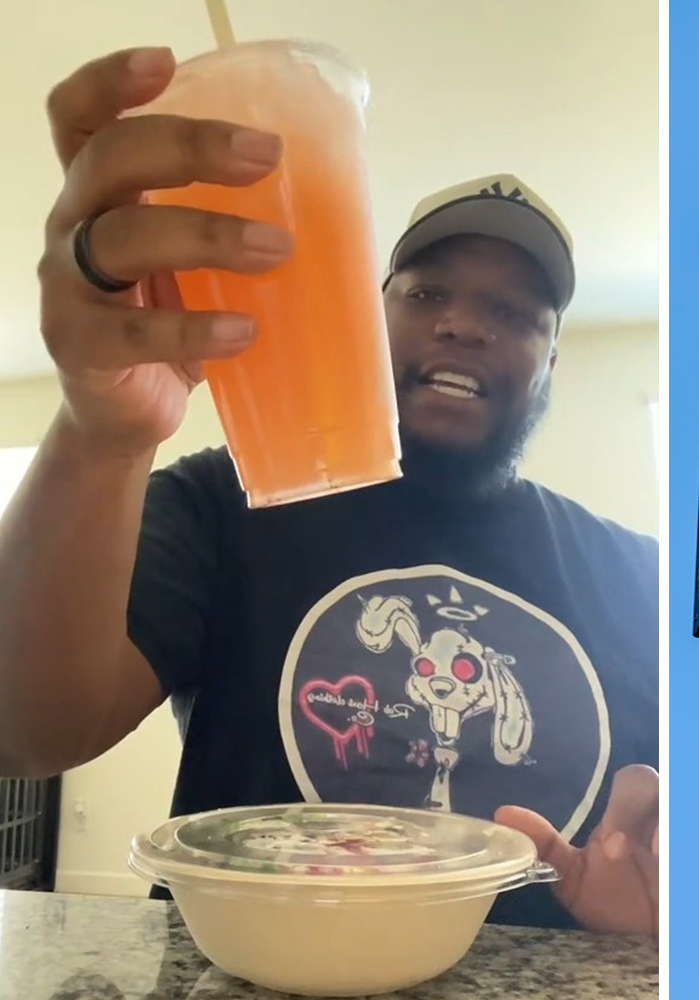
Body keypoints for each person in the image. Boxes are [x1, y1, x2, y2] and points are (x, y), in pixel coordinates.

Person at [6, 48, 658, 935]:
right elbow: (26, 730)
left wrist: (661, 922)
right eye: (428, 292)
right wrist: (100, 430)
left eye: (514, 315)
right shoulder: (220, 503)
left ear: (552, 359)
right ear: (369, 306)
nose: (464, 323)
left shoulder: (641, 578)